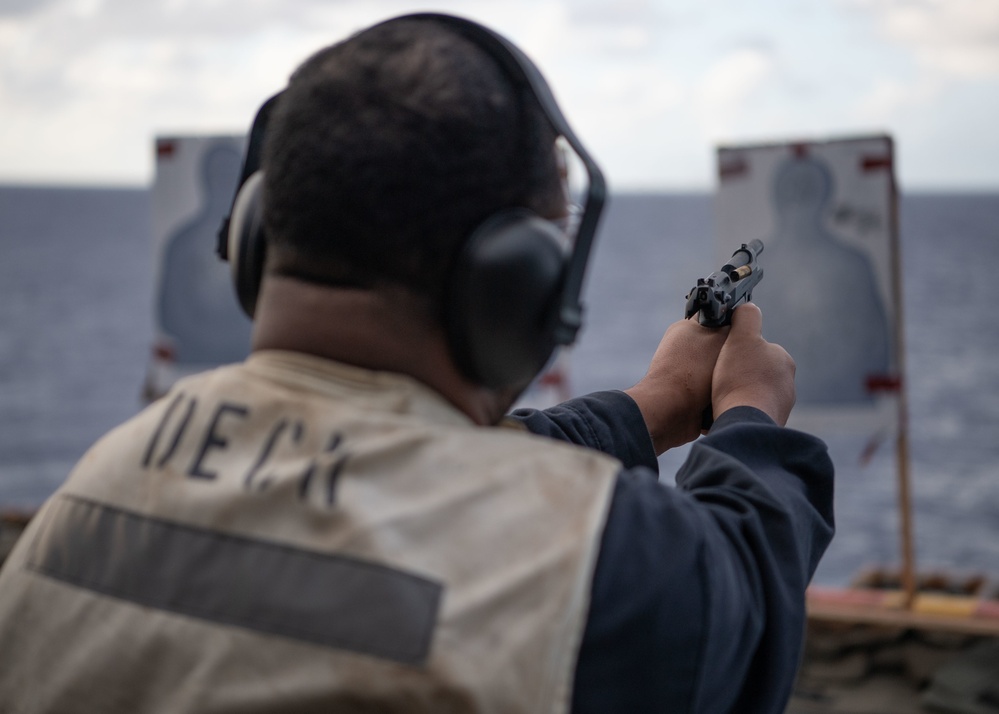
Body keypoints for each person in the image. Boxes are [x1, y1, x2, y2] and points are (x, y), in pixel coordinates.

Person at [0, 14, 834, 714]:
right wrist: (749, 421)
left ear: (257, 241)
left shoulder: (94, 491)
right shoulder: (574, 563)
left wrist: (657, 403)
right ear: (518, 286)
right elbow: (745, 613)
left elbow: (419, 476)